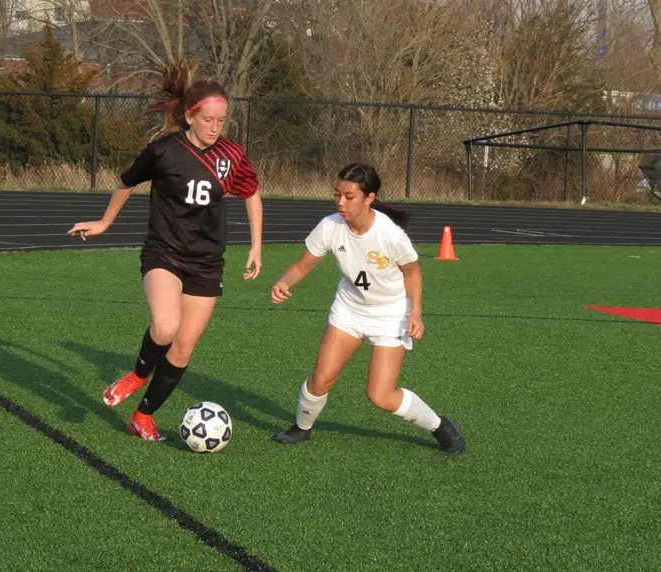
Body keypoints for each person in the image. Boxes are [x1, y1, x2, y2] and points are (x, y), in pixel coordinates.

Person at [68, 59, 263, 442]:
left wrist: (256, 245)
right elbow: (126, 182)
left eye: (222, 121)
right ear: (190, 116)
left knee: (184, 347)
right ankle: (138, 374)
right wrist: (106, 222)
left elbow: (252, 191)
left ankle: (143, 416)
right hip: (165, 253)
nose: (215, 127)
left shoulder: (231, 156)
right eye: (208, 119)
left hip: (207, 262)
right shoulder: (163, 151)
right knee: (166, 327)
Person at [269, 163, 465, 454]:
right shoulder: (330, 226)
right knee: (321, 378)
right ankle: (302, 427)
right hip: (349, 309)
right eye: (337, 194)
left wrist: (415, 313)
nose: (340, 202)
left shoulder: (389, 234)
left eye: (349, 196)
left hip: (391, 315)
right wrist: (284, 282)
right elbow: (303, 264)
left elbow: (413, 272)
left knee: (381, 395)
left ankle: (439, 426)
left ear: (369, 198)